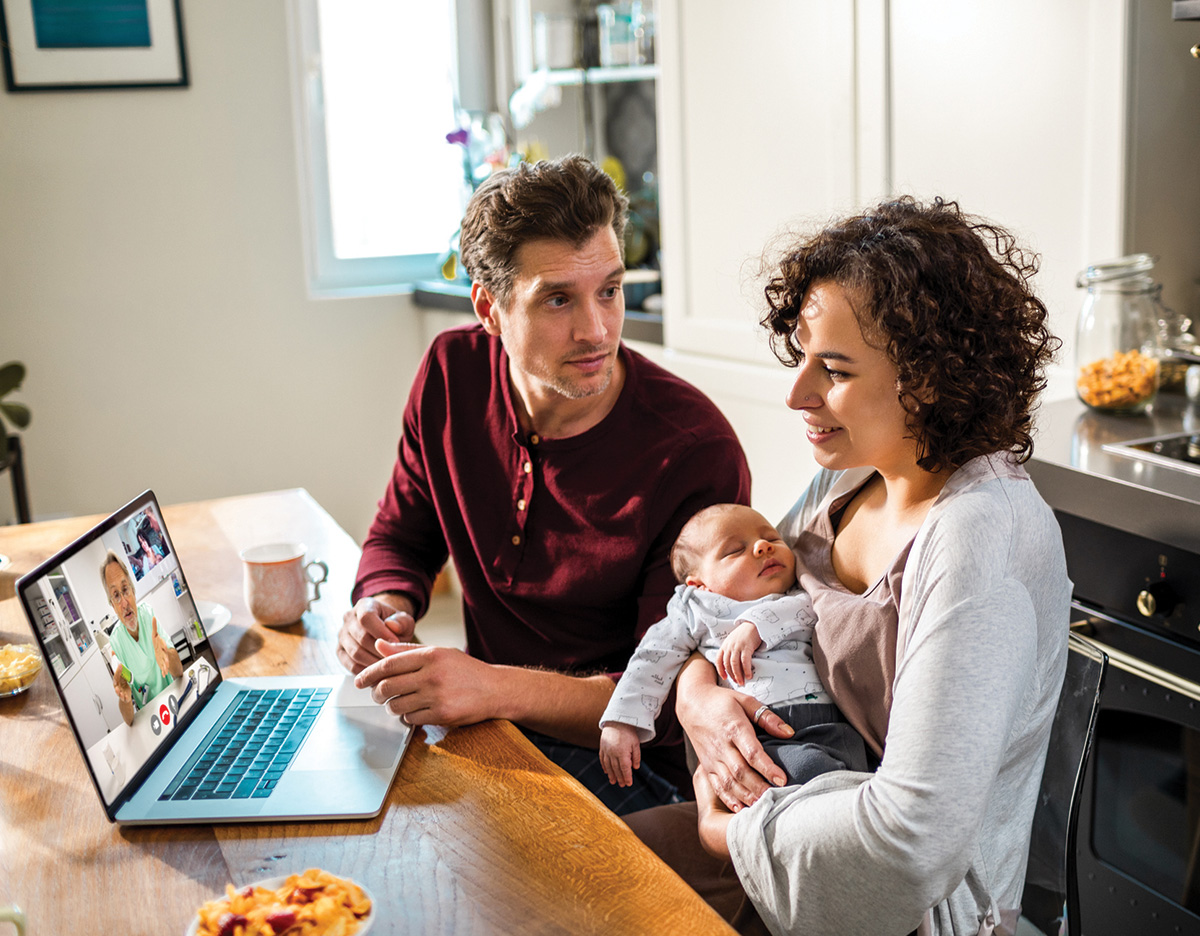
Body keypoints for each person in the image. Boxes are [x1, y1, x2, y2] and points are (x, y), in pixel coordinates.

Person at [626, 196, 1072, 936]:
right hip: (794, 818)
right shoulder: (848, 480)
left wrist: (726, 835)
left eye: (832, 369)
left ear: (927, 378)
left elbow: (910, 845)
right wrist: (696, 695)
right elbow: (731, 607)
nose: (797, 393)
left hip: (917, 910)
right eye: (801, 357)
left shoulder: (979, 538)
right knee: (569, 873)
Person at [341, 155, 751, 813]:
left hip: (633, 766)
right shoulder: (452, 373)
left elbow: (670, 701)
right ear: (489, 308)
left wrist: (490, 688)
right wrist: (384, 607)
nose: (596, 330)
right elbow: (402, 534)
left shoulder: (693, 451)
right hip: (498, 727)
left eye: (609, 290)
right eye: (558, 299)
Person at [599, 503, 868, 790]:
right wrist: (622, 722)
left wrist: (755, 626)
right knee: (808, 772)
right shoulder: (694, 608)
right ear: (700, 585)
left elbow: (814, 607)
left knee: (852, 768)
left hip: (830, 720)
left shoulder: (798, 591)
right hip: (757, 733)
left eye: (773, 538)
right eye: (734, 550)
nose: (763, 546)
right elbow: (653, 658)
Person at [101, 550, 182, 726]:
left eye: (125, 590)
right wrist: (125, 699)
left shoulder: (148, 615)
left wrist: (167, 653)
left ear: (133, 590)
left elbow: (179, 672)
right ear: (113, 606)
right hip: (150, 717)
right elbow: (129, 720)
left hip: (173, 699)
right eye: (116, 595)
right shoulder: (116, 642)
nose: (124, 603)